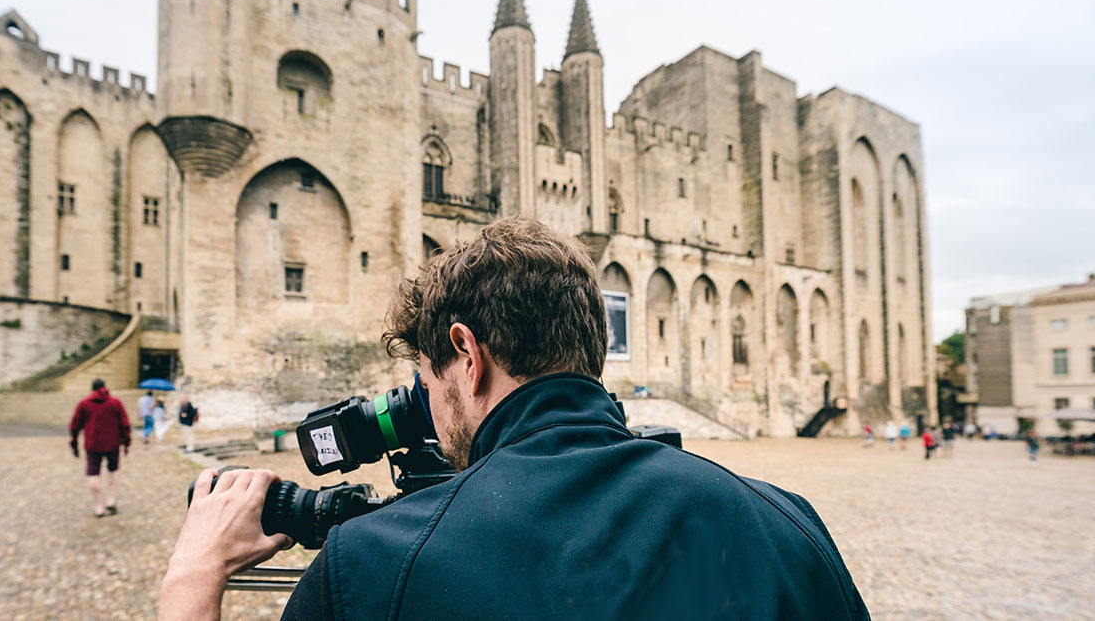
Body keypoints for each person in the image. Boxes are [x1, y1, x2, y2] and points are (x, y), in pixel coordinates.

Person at [158, 217, 869, 621]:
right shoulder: (786, 524)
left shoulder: (373, 565)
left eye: (426, 382)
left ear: (465, 355)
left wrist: (191, 577)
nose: (428, 413)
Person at [70, 379, 132, 518]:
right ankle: (111, 500)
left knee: (93, 475)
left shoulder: (84, 404)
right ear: (105, 388)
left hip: (93, 445)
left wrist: (74, 443)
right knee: (113, 471)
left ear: (92, 389)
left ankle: (99, 506)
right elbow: (125, 423)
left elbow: (75, 425)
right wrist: (126, 442)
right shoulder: (115, 403)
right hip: (113, 444)